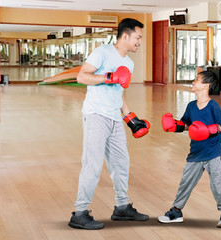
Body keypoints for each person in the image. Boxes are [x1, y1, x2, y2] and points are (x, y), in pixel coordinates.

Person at [68, 18, 150, 230]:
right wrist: (109, 76)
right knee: (92, 165)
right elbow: (81, 77)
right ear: (125, 35)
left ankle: (122, 207)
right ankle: (80, 212)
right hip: (96, 115)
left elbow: (118, 93)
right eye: (138, 37)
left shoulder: (129, 63)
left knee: (121, 163)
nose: (140, 41)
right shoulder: (102, 52)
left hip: (114, 117)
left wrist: (129, 117)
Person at [158, 71, 221, 229]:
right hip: (196, 153)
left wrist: (208, 130)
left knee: (218, 185)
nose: (193, 82)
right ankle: (177, 211)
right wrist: (174, 126)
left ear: (205, 86)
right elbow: (186, 124)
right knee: (185, 183)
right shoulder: (191, 106)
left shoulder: (213, 106)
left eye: (196, 80)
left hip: (213, 153)